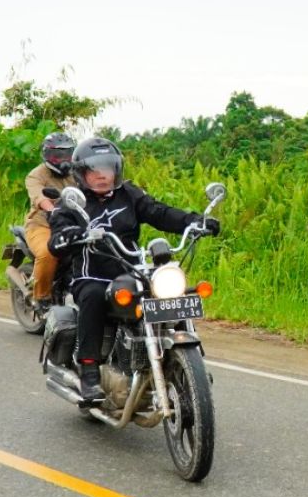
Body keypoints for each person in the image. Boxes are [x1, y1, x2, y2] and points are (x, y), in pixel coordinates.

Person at [48, 137, 220, 404]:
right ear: (82, 174)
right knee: (93, 296)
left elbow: (158, 212)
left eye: (108, 169)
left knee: (167, 292)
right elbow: (57, 235)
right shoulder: (74, 202)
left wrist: (195, 221)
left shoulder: (128, 194)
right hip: (92, 273)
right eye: (95, 171)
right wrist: (70, 235)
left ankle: (190, 366)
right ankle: (90, 371)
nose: (103, 176)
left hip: (130, 270)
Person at [23, 132, 75, 311]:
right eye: (56, 155)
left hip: (73, 224)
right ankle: (42, 298)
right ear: (46, 155)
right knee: (48, 253)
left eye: (67, 154)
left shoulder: (77, 173)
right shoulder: (36, 175)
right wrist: (53, 210)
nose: (62, 159)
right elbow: (39, 197)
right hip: (43, 224)